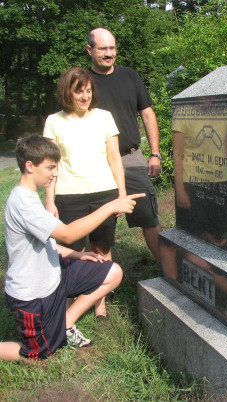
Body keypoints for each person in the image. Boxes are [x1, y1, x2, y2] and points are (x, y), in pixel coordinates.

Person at [0, 135, 144, 361]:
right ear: (29, 166)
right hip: (32, 295)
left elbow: (47, 243)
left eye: (56, 167)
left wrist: (78, 254)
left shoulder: (29, 196)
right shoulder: (22, 203)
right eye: (50, 167)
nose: (55, 173)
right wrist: (110, 206)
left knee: (112, 272)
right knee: (38, 354)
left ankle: (66, 323)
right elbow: (68, 233)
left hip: (54, 277)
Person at [43, 66, 126, 318]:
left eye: (88, 91)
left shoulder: (104, 117)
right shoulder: (54, 121)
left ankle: (99, 303)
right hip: (68, 195)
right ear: (67, 92)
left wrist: (121, 195)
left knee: (101, 247)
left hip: (105, 193)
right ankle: (69, 303)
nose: (85, 97)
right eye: (79, 92)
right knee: (73, 252)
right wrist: (49, 199)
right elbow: (51, 164)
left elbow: (114, 158)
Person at [86, 28, 162, 262]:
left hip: (130, 158)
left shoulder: (130, 76)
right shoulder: (83, 81)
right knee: (100, 226)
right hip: (96, 161)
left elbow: (148, 115)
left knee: (149, 217)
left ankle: (169, 274)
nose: (109, 54)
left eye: (112, 48)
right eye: (102, 49)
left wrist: (155, 154)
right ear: (90, 50)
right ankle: (103, 285)